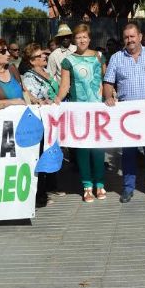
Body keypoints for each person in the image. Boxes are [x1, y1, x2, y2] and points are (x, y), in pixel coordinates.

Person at [103, 22, 145, 203]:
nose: (129, 40)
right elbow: (108, 83)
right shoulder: (116, 58)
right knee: (129, 153)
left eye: (132, 36)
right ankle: (128, 188)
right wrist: (108, 96)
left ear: (140, 37)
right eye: (126, 37)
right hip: (127, 116)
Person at [54, 24, 107, 202]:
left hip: (98, 110)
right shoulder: (68, 60)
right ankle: (87, 185)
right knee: (83, 149)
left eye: (85, 37)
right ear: (74, 40)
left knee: (98, 149)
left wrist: (110, 97)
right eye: (78, 38)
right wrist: (57, 100)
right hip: (79, 110)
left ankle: (100, 184)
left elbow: (105, 80)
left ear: (89, 38)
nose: (82, 40)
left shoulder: (99, 57)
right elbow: (64, 86)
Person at [22, 43, 64, 205]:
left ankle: (51, 186)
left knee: (52, 150)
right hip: (40, 120)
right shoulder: (29, 77)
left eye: (43, 55)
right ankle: (40, 195)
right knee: (40, 154)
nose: (44, 56)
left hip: (52, 119)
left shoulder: (46, 72)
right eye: (40, 56)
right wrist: (43, 101)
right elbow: (33, 98)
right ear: (32, 61)